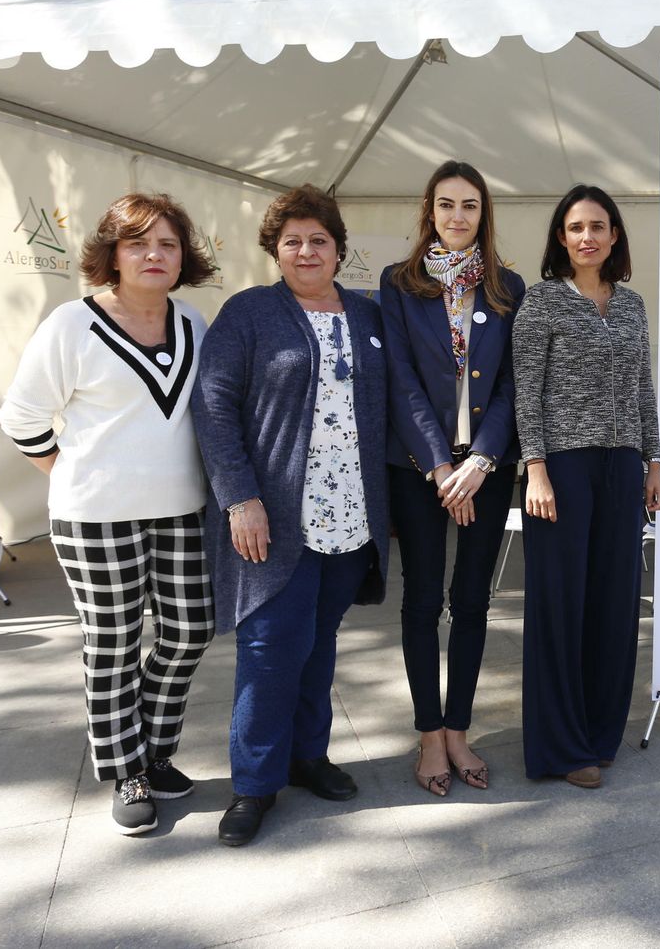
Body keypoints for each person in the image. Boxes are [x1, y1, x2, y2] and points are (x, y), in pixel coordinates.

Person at [0, 192, 215, 835]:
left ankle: (153, 749)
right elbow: (22, 418)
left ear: (184, 257)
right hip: (95, 518)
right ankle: (128, 769)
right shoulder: (72, 323)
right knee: (115, 643)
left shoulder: (194, 323)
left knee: (188, 632)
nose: (154, 255)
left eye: (168, 244)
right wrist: (70, 475)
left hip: (181, 510)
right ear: (112, 255)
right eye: (137, 243)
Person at [192, 184, 390, 847]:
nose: (307, 251)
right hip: (274, 516)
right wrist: (239, 498)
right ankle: (253, 785)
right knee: (271, 646)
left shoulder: (367, 316)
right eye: (293, 241)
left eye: (319, 240)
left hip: (350, 513)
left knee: (319, 642)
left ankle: (309, 756)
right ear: (275, 250)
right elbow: (213, 408)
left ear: (339, 250)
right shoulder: (248, 313)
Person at [512, 185, 660, 789]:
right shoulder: (542, 303)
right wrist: (536, 468)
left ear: (615, 236)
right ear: (560, 237)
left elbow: (643, 390)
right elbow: (527, 390)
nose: (587, 237)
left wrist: (654, 461)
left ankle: (601, 734)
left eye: (598, 226)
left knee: (613, 604)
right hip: (564, 469)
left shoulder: (631, 307)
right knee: (559, 606)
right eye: (576, 227)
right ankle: (560, 746)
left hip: (623, 467)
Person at [379, 161, 525, 796]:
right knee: (421, 601)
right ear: (429, 213)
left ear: (483, 214)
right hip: (419, 467)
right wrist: (442, 466)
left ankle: (460, 728)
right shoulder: (399, 284)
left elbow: (515, 386)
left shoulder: (508, 287)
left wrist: (480, 462)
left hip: (486, 468)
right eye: (446, 205)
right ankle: (429, 735)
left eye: (469, 206)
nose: (457, 216)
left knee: (472, 601)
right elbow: (402, 382)